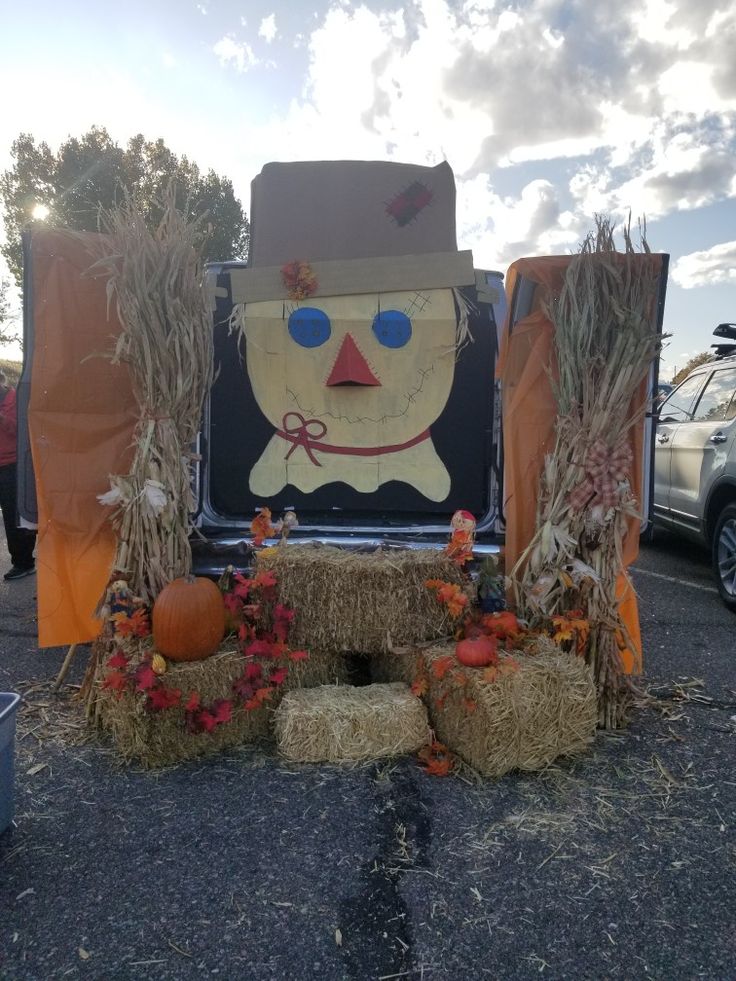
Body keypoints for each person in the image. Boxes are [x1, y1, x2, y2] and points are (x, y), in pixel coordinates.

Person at [0, 370, 36, 580]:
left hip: (13, 465)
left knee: (13, 515)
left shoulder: (15, 399)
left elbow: (20, 430)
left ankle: (23, 562)